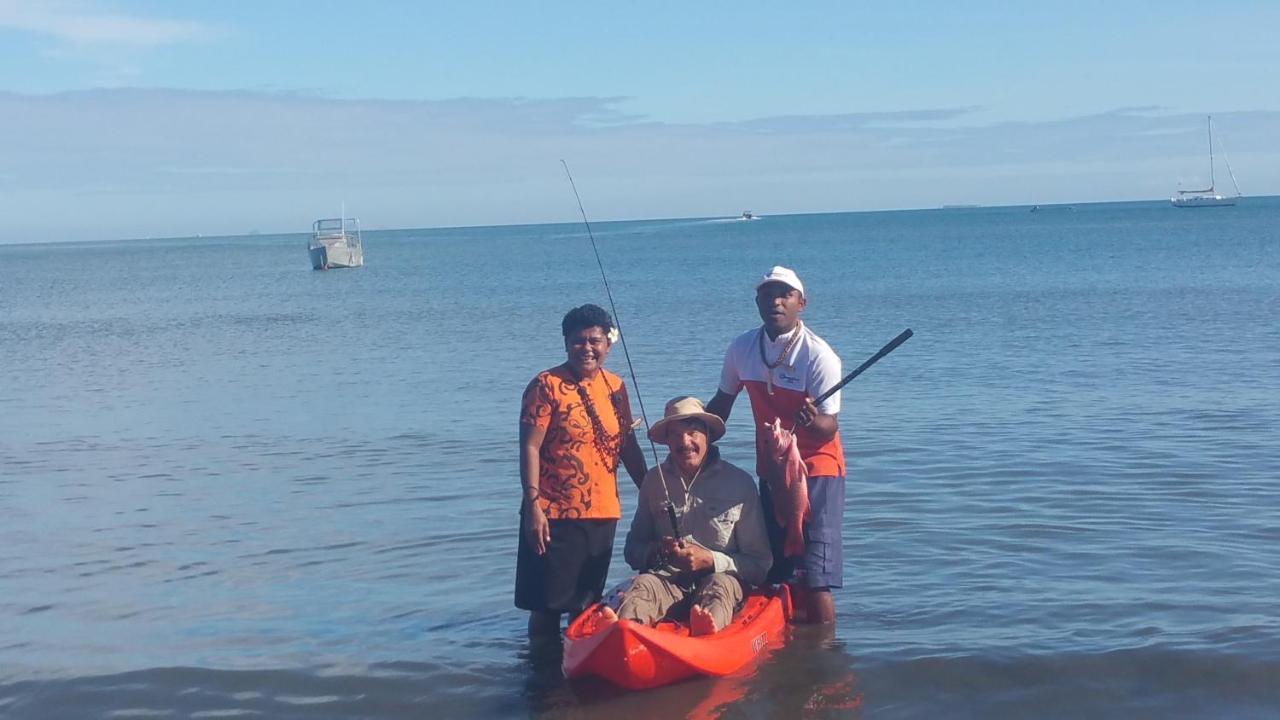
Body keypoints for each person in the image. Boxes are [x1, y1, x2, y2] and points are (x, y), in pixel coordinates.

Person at [706, 266, 846, 624]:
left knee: (816, 575)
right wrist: (694, 438)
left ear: (802, 302)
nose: (776, 301)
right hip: (771, 466)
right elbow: (721, 404)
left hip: (816, 470)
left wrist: (811, 420)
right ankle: (783, 646)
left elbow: (828, 428)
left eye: (785, 295)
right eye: (768, 294)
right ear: (757, 301)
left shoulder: (819, 356)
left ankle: (824, 654)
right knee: (775, 566)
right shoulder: (742, 348)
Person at [515, 304, 647, 637]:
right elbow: (529, 446)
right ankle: (540, 680)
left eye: (594, 341)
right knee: (546, 607)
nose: (587, 348)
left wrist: (651, 490)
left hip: (602, 511)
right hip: (553, 513)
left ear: (607, 344)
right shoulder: (546, 385)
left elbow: (627, 445)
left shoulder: (615, 386)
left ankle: (575, 678)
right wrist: (533, 507)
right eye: (578, 341)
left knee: (585, 607)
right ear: (566, 343)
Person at [601, 396, 771, 636]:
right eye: (676, 434)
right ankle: (623, 630)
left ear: (707, 436)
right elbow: (632, 550)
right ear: (667, 441)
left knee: (718, 586)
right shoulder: (653, 481)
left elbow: (759, 565)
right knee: (642, 586)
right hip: (667, 582)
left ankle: (708, 633)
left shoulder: (740, 484)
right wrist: (657, 551)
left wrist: (710, 560)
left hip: (722, 580)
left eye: (692, 432)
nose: (685, 442)